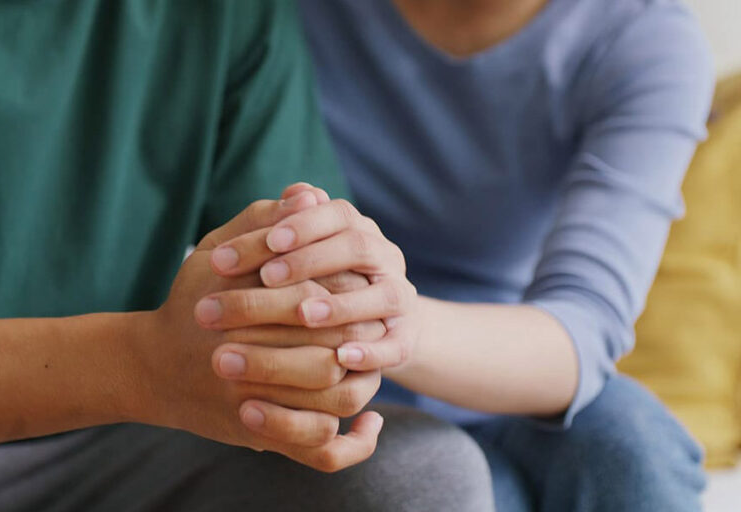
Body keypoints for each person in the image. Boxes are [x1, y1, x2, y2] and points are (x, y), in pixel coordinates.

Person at [0, 1, 496, 511]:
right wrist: (141, 365)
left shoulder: (226, 15)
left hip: (126, 446)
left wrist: (337, 329)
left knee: (420, 476)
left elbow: (299, 290)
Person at [292, 0, 715, 510]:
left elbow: (584, 326)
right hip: (322, 354)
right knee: (455, 483)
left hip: (508, 361)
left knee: (633, 445)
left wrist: (390, 322)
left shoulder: (640, 38)